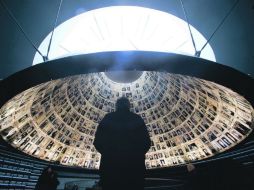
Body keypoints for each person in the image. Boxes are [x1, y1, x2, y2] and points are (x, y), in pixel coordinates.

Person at [93, 97, 151, 190]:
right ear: (129, 106)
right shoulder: (137, 119)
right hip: (134, 169)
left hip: (110, 168)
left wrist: (108, 154)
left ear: (116, 106)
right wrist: (136, 155)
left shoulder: (108, 118)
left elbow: (98, 142)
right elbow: (146, 143)